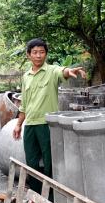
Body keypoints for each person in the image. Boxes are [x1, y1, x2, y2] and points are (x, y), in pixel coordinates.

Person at [13, 38, 86, 194]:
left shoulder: (52, 71)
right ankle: (35, 196)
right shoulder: (26, 76)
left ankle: (51, 199)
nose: (38, 56)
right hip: (30, 124)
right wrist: (19, 124)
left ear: (46, 54)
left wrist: (69, 71)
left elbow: (63, 71)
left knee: (49, 163)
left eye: (42, 52)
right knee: (31, 162)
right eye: (35, 52)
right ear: (28, 55)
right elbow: (24, 104)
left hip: (47, 124)